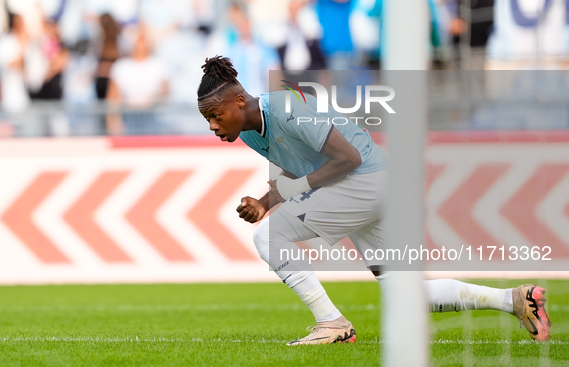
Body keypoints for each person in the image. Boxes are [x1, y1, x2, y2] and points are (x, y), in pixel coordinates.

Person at [196, 56, 552, 345]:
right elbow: (301, 168)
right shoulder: (249, 133)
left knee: (268, 236)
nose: (212, 125)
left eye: (215, 115)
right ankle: (516, 300)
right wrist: (263, 201)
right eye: (207, 119)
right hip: (374, 186)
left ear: (239, 101)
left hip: (364, 180)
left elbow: (346, 158)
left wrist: (292, 191)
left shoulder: (286, 107)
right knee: (406, 295)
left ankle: (332, 323)